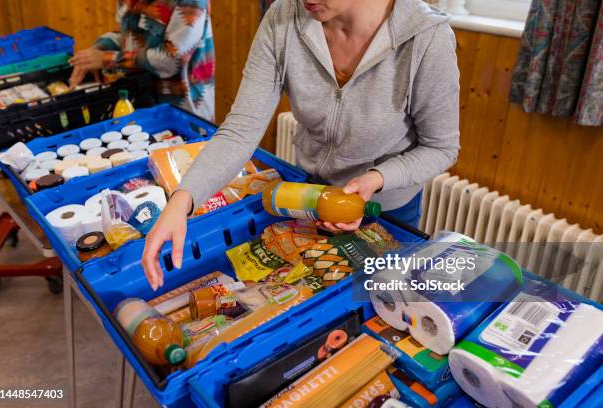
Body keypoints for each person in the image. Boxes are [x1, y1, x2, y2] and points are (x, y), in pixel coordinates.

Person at [142, 0, 460, 290]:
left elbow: (440, 148)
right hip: (309, 196)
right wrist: (182, 200)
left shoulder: (426, 37)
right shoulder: (283, 18)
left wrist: (376, 179)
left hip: (388, 209)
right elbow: (240, 131)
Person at [68, 0, 215, 121]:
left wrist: (107, 58)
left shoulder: (192, 2)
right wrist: (98, 50)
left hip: (184, 112)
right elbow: (129, 37)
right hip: (143, 101)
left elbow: (170, 61)